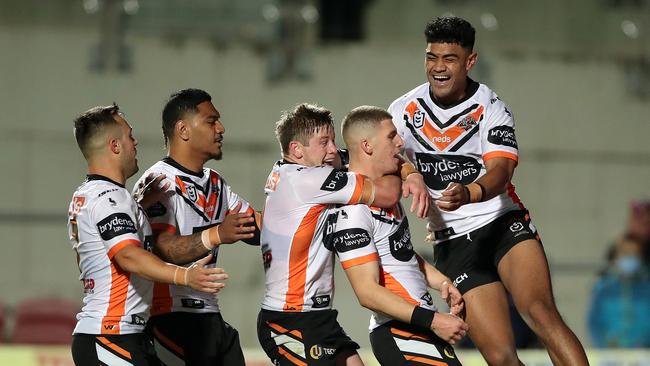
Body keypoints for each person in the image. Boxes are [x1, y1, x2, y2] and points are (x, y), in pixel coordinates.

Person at [387, 17, 589, 365]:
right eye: (431, 57)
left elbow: (501, 170)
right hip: (451, 242)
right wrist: (409, 171)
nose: (438, 67)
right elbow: (382, 154)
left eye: (449, 58)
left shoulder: (491, 108)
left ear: (470, 61)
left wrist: (472, 192)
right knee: (500, 357)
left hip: (501, 224)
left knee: (540, 312)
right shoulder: (403, 109)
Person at [257, 103, 429, 366]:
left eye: (333, 141)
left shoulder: (295, 169)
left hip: (317, 317)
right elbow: (387, 193)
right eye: (324, 142)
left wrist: (410, 171)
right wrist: (404, 174)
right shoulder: (309, 180)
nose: (332, 150)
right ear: (296, 150)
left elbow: (376, 157)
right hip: (289, 319)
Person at [67, 104, 228, 366]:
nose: (135, 141)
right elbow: (129, 256)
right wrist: (184, 275)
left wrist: (138, 205)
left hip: (115, 334)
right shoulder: (110, 198)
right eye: (129, 136)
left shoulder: (90, 194)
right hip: (111, 335)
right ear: (115, 146)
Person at [329, 106, 468, 366]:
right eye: (391, 136)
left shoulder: (384, 191)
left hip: (416, 326)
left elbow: (398, 252)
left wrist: (441, 283)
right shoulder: (354, 211)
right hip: (398, 331)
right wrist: (435, 321)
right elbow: (367, 292)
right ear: (367, 146)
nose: (401, 142)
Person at [133, 88, 260, 366]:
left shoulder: (215, 182)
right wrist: (216, 234)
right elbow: (161, 249)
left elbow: (257, 227)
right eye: (211, 121)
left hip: (210, 318)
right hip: (171, 319)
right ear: (183, 130)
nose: (221, 128)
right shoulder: (159, 182)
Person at [588, 237, 650, 348]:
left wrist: (643, 344)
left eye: (635, 254)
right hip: (609, 355)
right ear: (615, 258)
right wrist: (605, 345)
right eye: (626, 253)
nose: (630, 257)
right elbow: (594, 324)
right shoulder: (603, 290)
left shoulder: (647, 289)